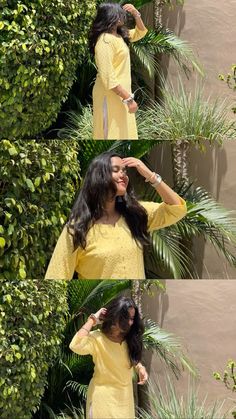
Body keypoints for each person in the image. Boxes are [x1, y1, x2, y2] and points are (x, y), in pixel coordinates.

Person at [45, 151, 187, 280]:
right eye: (116, 170)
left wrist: (151, 176)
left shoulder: (135, 214)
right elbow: (56, 275)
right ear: (99, 176)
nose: (123, 175)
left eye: (124, 171)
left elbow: (177, 209)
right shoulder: (77, 229)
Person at [69, 295, 148, 419]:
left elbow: (130, 358)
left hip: (124, 400)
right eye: (126, 318)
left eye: (132, 318)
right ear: (115, 316)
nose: (130, 323)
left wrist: (140, 368)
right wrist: (93, 319)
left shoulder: (130, 339)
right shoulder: (97, 338)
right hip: (102, 400)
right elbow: (76, 345)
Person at [89, 3, 148, 140]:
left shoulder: (120, 36)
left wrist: (136, 14)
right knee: (109, 133)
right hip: (110, 95)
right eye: (119, 13)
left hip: (121, 95)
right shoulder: (105, 41)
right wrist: (128, 99)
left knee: (123, 133)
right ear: (111, 17)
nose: (123, 16)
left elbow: (141, 31)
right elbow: (108, 77)